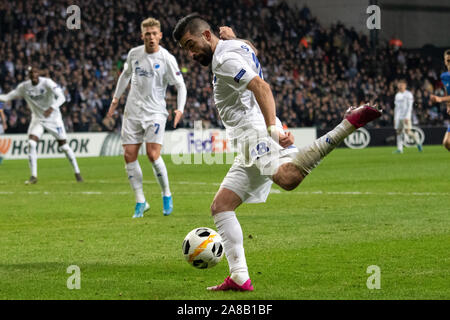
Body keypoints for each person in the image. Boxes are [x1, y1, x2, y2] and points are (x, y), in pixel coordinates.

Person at [172, 14, 382, 291]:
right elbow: (253, 51)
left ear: (207, 35)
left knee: (287, 178)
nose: (191, 53)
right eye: (186, 49)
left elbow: (261, 86)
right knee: (221, 207)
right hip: (249, 135)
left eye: (191, 44)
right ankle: (239, 277)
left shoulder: (224, 60)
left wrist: (272, 128)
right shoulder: (235, 47)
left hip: (253, 132)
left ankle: (348, 124)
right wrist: (234, 38)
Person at [107, 17, 187, 218]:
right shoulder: (134, 54)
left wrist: (180, 109)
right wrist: (116, 99)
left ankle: (166, 194)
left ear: (160, 36)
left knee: (152, 155)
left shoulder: (167, 58)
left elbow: (180, 85)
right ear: (142, 35)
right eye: (147, 34)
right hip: (132, 112)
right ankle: (140, 201)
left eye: (154, 34)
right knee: (129, 156)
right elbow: (125, 76)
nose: (151, 37)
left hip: (155, 113)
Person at [0, 66, 83, 183]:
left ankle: (77, 172)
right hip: (37, 119)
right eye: (30, 73)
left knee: (64, 147)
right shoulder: (24, 87)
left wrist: (51, 108)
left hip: (53, 119)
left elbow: (62, 97)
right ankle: (33, 176)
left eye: (35, 72)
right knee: (31, 143)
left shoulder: (47, 83)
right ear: (28, 75)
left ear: (38, 73)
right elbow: (7, 97)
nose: (33, 74)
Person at [393, 79, 422, 154]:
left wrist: (407, 116)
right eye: (399, 84)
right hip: (398, 117)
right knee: (398, 132)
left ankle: (418, 142)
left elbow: (410, 107)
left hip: (406, 117)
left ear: (405, 85)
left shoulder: (408, 94)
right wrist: (395, 118)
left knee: (408, 132)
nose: (400, 86)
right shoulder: (397, 95)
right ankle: (400, 149)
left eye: (402, 84)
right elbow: (396, 108)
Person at [430, 49, 450, 151]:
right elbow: (447, 91)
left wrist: (440, 99)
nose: (448, 63)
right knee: (447, 143)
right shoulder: (444, 76)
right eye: (447, 60)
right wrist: (448, 105)